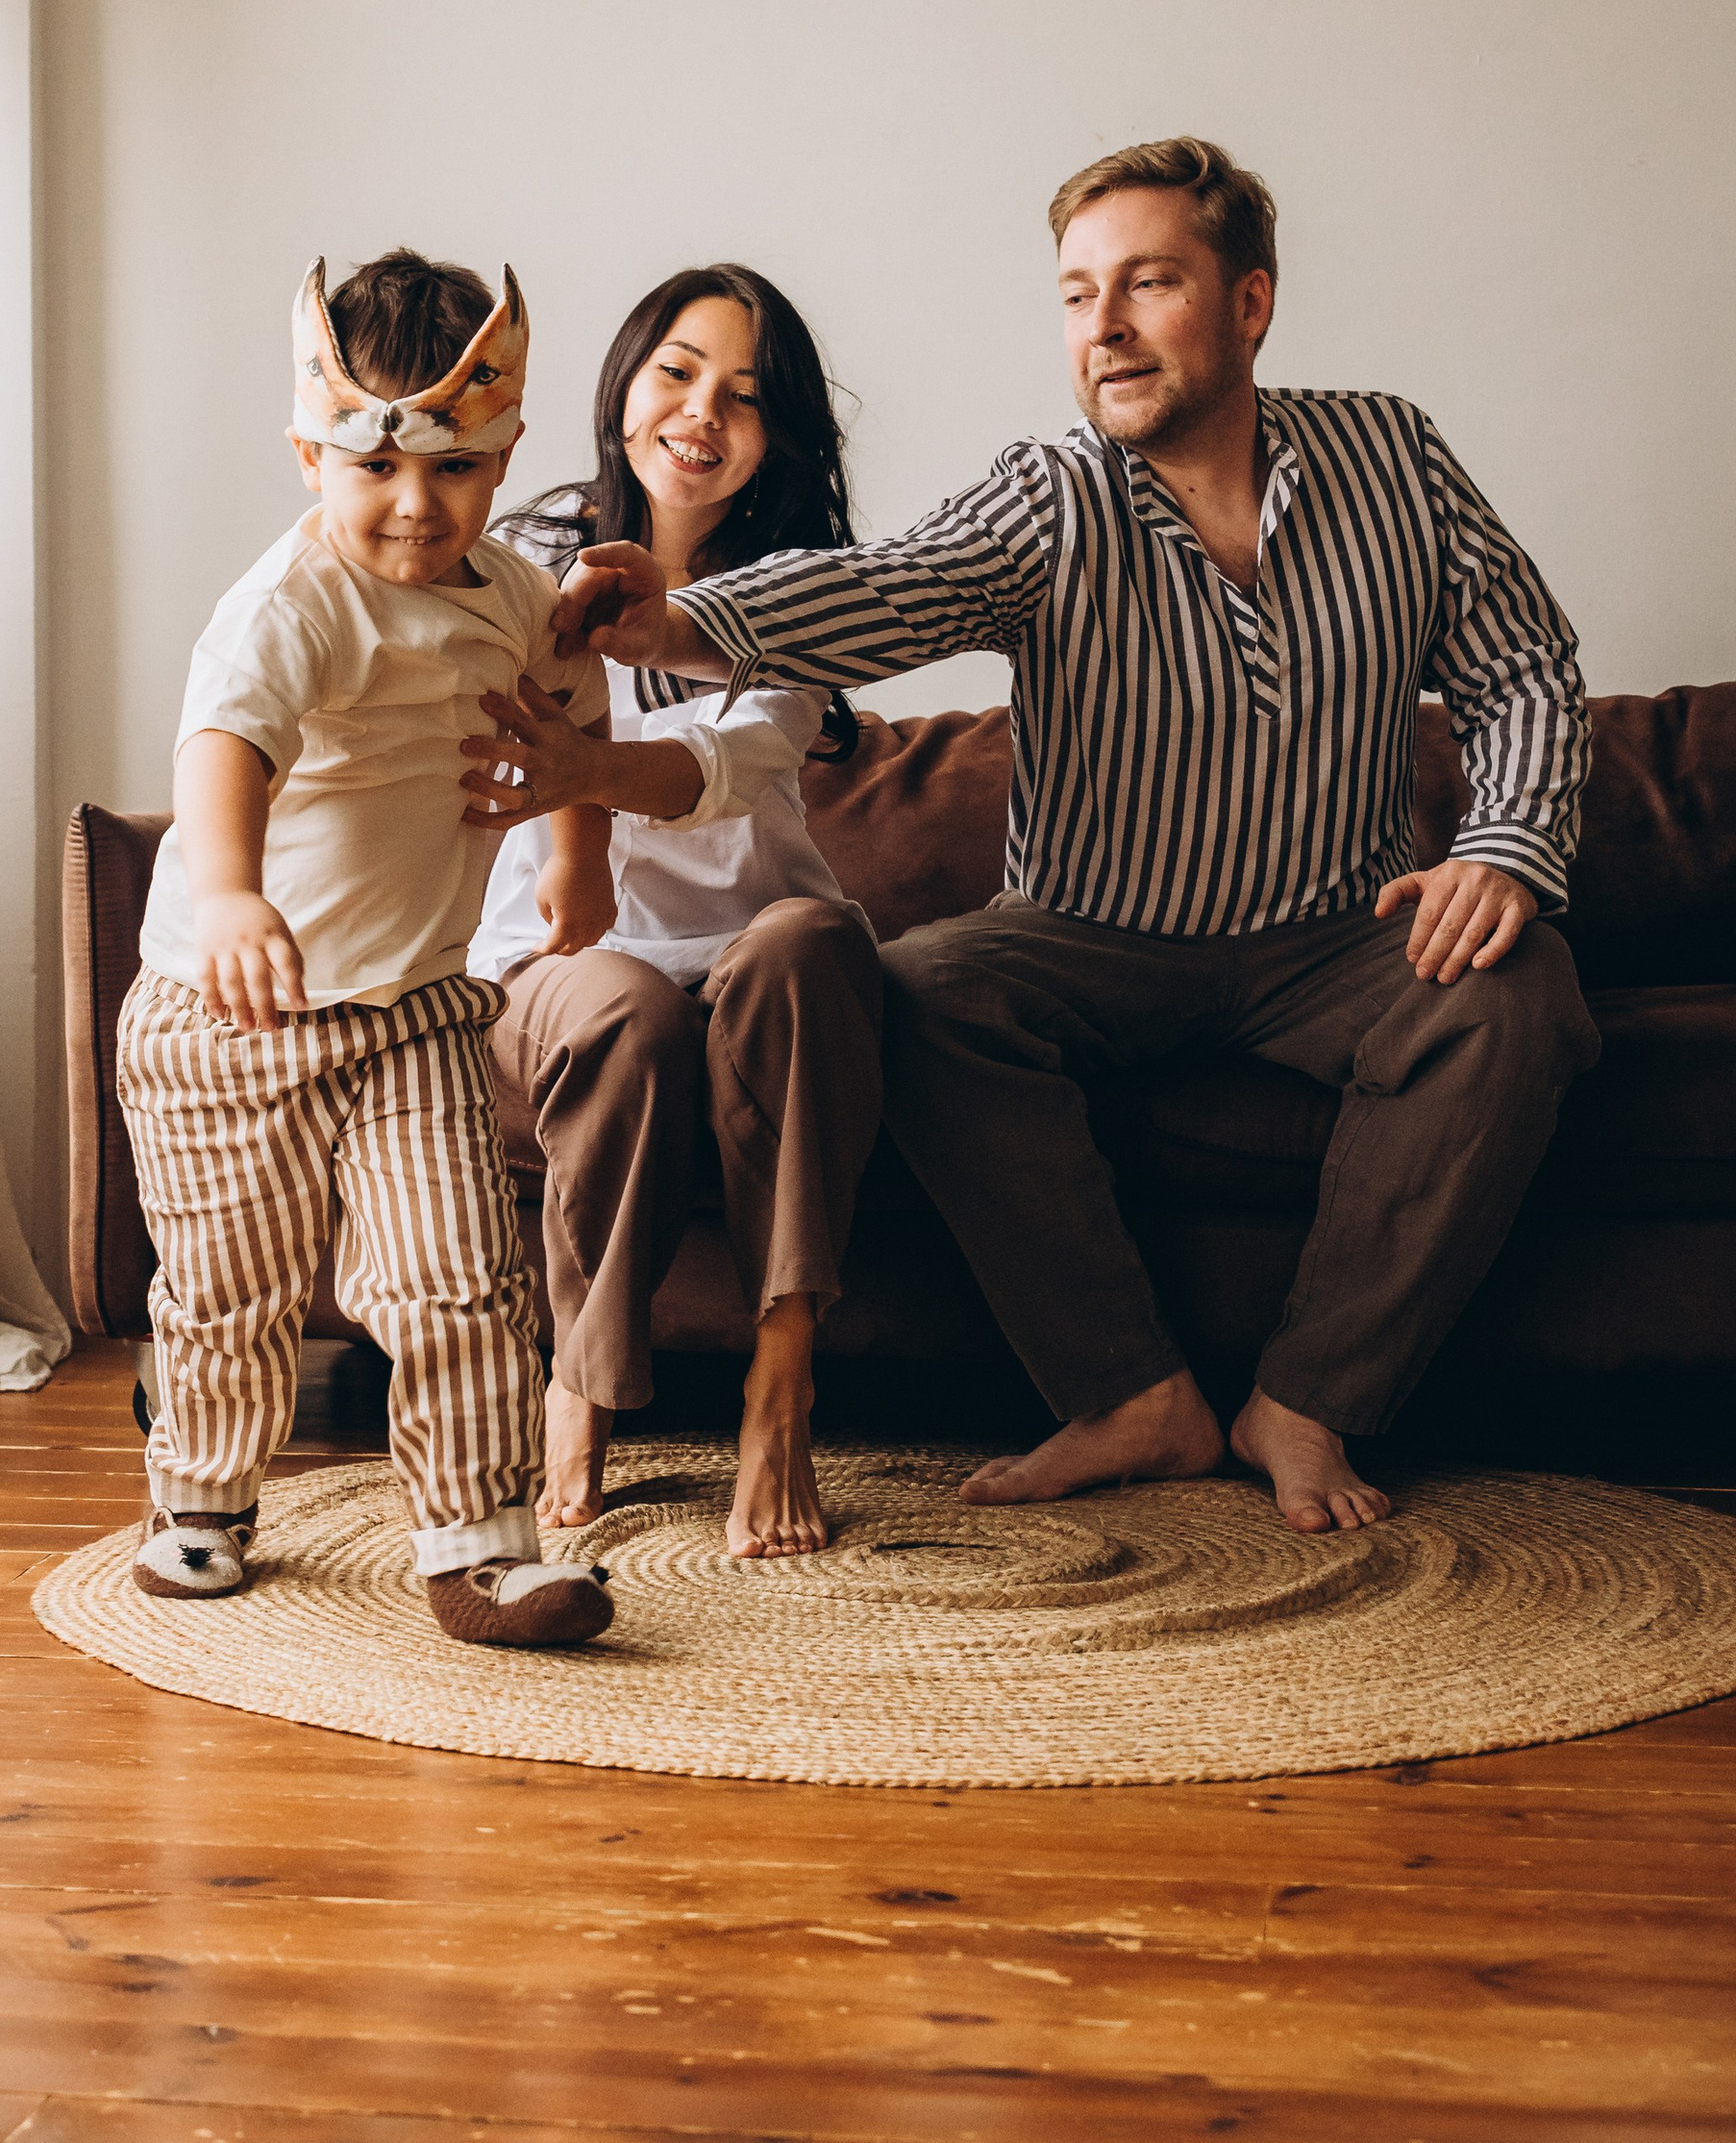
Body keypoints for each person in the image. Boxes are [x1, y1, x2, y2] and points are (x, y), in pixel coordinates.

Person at [552, 141, 1600, 1536]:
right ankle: (1132, 1398)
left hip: (1337, 935)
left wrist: (1505, 847)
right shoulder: (1051, 495)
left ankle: (1309, 1399)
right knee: (916, 984)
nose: (1100, 328)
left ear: (1250, 304)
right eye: (1074, 296)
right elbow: (890, 589)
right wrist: (674, 623)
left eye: (1147, 284)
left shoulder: (1392, 455)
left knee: (1519, 998)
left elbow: (1524, 667)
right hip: (1088, 938)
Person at [118, 247, 620, 1649]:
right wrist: (227, 895)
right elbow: (223, 749)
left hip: (410, 1014)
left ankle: (480, 1546)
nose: (416, 507)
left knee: (459, 1270)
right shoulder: (287, 608)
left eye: (458, 473)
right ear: (307, 454)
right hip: (232, 1018)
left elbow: (565, 717)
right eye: (376, 470)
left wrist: (575, 853)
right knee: (234, 1287)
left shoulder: (517, 597)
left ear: (506, 458)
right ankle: (204, 1501)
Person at [459, 266, 883, 1559]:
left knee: (810, 942)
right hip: (562, 965)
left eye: (745, 399)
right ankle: (580, 1386)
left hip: (765, 962)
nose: (703, 413)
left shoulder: (798, 600)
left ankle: (781, 1381)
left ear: (780, 442)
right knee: (629, 1007)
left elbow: (730, 772)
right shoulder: (517, 563)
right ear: (627, 385)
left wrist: (586, 774)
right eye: (679, 374)